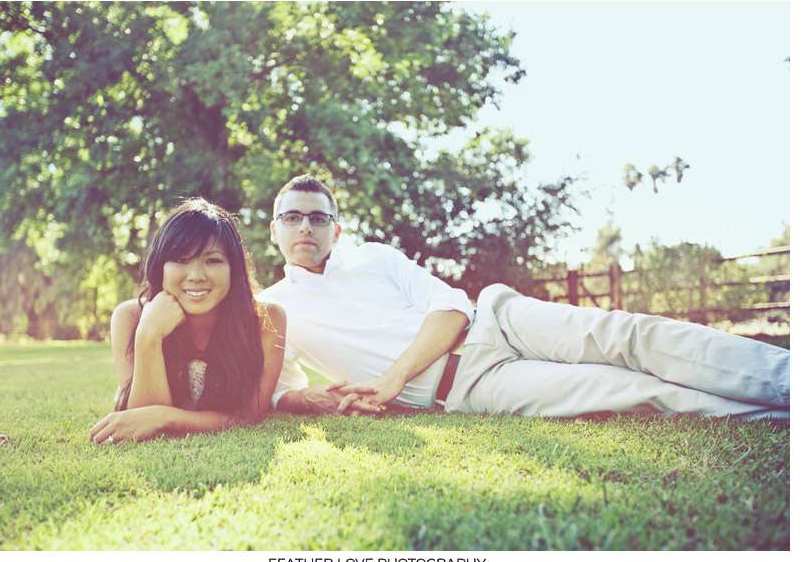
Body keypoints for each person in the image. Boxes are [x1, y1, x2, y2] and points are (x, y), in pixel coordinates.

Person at [259, 175, 789, 420]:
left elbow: (452, 309)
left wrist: (393, 379)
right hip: (468, 389)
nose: (306, 227)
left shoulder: (375, 257)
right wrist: (308, 400)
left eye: (318, 217)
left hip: (497, 322)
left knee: (631, 336)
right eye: (293, 217)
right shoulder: (276, 308)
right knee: (629, 390)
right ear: (275, 229)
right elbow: (280, 390)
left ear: (337, 229)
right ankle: (780, 418)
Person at [90, 198, 286, 444]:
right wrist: (149, 334)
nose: (196, 276)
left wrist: (166, 417)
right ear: (160, 266)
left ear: (233, 269)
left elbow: (248, 415)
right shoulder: (129, 317)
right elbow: (140, 421)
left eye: (212, 260)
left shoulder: (268, 319)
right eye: (181, 260)